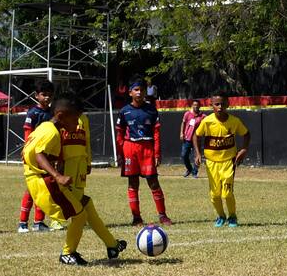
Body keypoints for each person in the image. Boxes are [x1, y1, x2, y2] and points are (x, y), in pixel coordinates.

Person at [22, 94, 126, 266]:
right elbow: (40, 155)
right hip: (44, 183)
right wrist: (58, 175)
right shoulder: (52, 133)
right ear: (61, 116)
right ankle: (67, 253)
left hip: (43, 179)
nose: (77, 123)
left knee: (85, 202)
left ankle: (112, 245)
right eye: (75, 119)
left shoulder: (44, 127)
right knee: (79, 216)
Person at [116, 78, 171, 226]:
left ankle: (163, 215)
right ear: (130, 93)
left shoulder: (151, 110)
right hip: (130, 149)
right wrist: (121, 154)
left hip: (147, 148)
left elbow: (157, 134)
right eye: (136, 90)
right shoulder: (124, 111)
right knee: (133, 183)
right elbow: (119, 136)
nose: (139, 92)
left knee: (153, 182)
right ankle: (136, 218)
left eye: (142, 90)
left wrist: (157, 154)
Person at [194, 93, 251, 227]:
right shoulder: (207, 121)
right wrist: (197, 154)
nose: (220, 107)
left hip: (228, 162)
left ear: (228, 104)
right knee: (215, 194)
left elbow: (247, 134)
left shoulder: (234, 121)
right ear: (211, 105)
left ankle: (232, 216)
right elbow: (196, 136)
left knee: (227, 193)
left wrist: (244, 149)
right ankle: (220, 216)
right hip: (211, 162)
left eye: (223, 104)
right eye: (217, 104)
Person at [18, 80, 62, 233]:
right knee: (31, 190)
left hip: (45, 157)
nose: (47, 98)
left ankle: (38, 222)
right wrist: (26, 151)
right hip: (33, 157)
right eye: (44, 95)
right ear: (36, 96)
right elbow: (28, 135)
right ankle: (23, 223)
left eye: (50, 95)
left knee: (43, 190)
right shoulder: (33, 113)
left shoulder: (52, 113)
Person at [179, 100, 205, 178]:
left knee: (197, 156)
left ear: (200, 106)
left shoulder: (203, 116)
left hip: (197, 140)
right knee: (184, 155)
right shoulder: (187, 114)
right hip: (187, 138)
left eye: (197, 105)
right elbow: (183, 123)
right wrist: (181, 133)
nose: (195, 106)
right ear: (192, 106)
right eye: (194, 105)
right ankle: (189, 169)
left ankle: (195, 172)